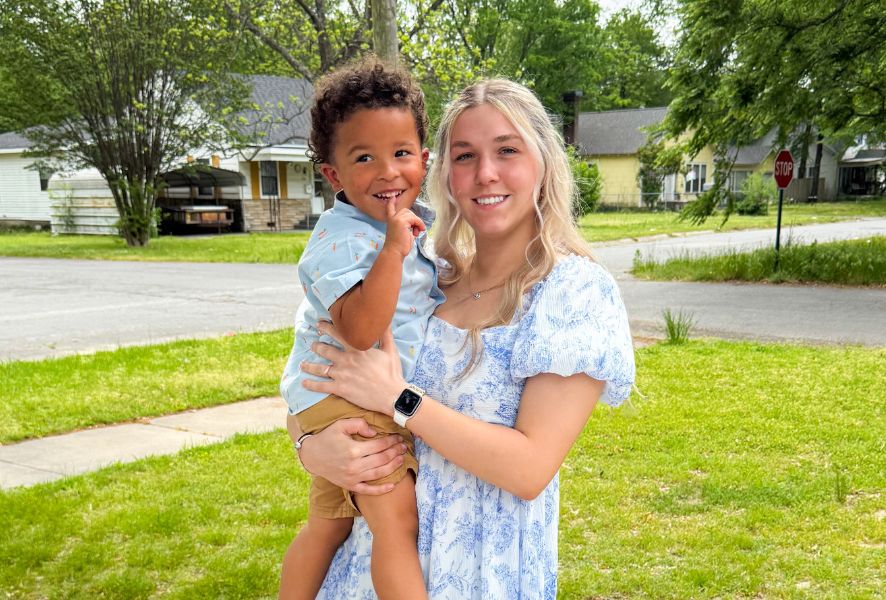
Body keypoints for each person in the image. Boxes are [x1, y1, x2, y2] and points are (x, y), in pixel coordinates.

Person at [290, 79, 636, 598]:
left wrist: (397, 400)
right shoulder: (422, 273)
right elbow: (317, 368)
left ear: (543, 161)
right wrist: (310, 446)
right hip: (362, 571)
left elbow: (528, 469)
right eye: (466, 155)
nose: (485, 173)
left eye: (507, 151)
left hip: (481, 574)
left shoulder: (572, 292)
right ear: (445, 173)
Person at [277, 57, 444, 600]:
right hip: (347, 395)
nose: (387, 172)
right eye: (364, 157)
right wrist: (395, 250)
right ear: (334, 175)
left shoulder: (404, 225)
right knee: (396, 522)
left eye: (400, 154)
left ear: (423, 159)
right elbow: (360, 330)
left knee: (330, 524)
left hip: (340, 397)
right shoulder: (343, 239)